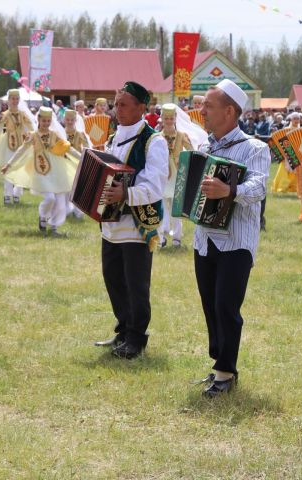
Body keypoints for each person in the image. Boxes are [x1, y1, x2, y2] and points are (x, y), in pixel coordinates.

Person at [192, 79, 270, 397]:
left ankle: (226, 371)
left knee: (226, 304)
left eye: (208, 106)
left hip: (236, 241)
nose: (202, 111)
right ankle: (219, 367)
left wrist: (231, 190)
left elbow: (260, 187)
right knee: (210, 304)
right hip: (204, 239)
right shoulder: (204, 147)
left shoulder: (254, 148)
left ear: (229, 111)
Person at [92, 82, 168, 359]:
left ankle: (137, 338)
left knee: (136, 283)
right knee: (113, 277)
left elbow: (157, 184)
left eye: (123, 104)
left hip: (137, 224)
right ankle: (123, 330)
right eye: (116, 103)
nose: (117, 109)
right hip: (112, 224)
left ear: (141, 107)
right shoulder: (114, 136)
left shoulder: (153, 140)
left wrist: (126, 193)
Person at [0, 107, 81, 236]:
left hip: (56, 171)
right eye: (44, 121)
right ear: (38, 120)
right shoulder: (33, 135)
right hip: (40, 171)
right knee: (50, 198)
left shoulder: (54, 135)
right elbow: (21, 150)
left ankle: (54, 227)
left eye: (48, 121)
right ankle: (43, 217)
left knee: (60, 201)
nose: (46, 123)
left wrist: (83, 157)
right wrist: (9, 164)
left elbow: (68, 149)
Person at [0, 89, 36, 205]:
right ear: (8, 100)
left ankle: (17, 193)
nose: (15, 101)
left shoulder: (23, 114)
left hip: (22, 144)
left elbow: (31, 128)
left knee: (21, 168)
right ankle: (7, 195)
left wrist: (35, 138)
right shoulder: (5, 115)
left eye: (17, 99)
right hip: (8, 143)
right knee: (8, 169)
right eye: (13, 99)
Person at [157, 104, 193, 248]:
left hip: (178, 173)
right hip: (163, 173)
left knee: (176, 207)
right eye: (166, 118)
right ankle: (162, 236)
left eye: (171, 118)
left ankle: (177, 236)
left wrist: (182, 159)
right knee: (162, 205)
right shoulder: (157, 136)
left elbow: (191, 150)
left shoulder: (182, 135)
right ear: (162, 119)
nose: (169, 121)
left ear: (176, 119)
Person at [62, 109, 91, 220]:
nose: (69, 122)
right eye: (67, 119)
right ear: (64, 120)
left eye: (72, 120)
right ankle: (66, 209)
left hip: (76, 164)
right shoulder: (61, 133)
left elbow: (87, 147)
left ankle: (78, 211)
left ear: (75, 120)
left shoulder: (80, 134)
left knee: (77, 188)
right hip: (63, 163)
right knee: (65, 187)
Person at [270, 112, 299, 194]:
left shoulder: (301, 130)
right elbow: (278, 140)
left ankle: (294, 186)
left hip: (296, 154)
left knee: (295, 172)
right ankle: (281, 186)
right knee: (283, 171)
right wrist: (283, 151)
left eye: (298, 119)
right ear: (291, 120)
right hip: (287, 154)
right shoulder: (286, 130)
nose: (296, 120)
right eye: (294, 119)